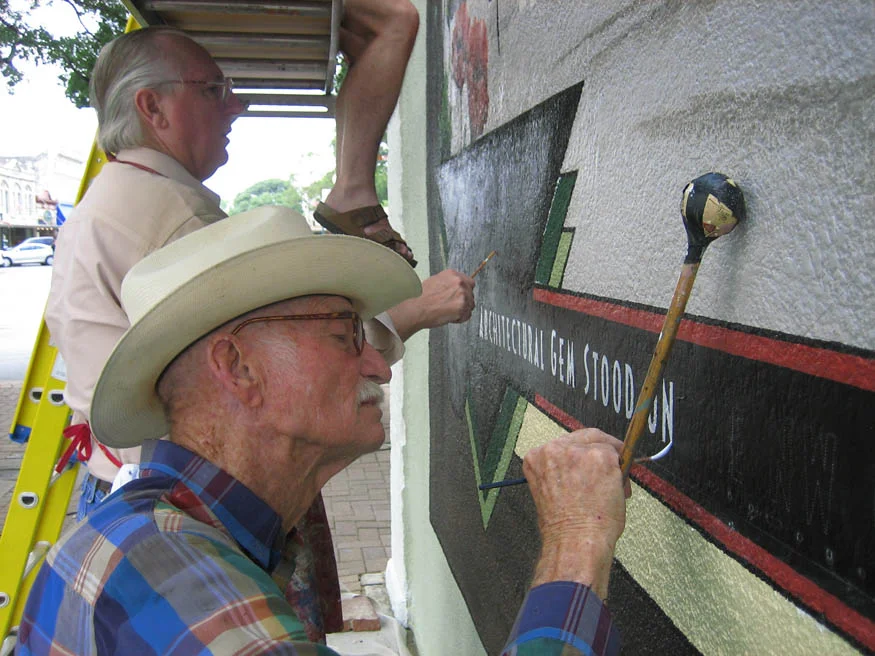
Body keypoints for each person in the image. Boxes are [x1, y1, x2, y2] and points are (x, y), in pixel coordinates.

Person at [19, 208, 627, 655]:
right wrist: (577, 539)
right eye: (346, 335)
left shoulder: (153, 534)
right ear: (238, 369)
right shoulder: (181, 586)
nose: (378, 365)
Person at [44, 19, 473, 641]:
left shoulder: (117, 202)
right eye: (214, 89)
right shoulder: (166, 217)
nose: (237, 105)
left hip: (138, 492)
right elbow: (282, 371)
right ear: (152, 107)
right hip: (198, 507)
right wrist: (418, 309)